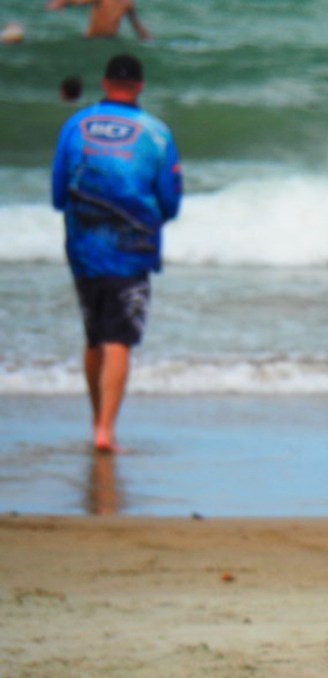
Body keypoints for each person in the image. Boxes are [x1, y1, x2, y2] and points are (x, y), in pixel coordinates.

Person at [52, 53, 182, 452]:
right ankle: (106, 431)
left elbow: (58, 194)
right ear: (140, 86)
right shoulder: (157, 133)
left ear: (106, 84)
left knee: (94, 337)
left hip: (83, 247)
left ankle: (97, 422)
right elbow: (171, 201)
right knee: (119, 339)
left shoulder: (76, 125)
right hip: (132, 250)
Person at [45, 0, 151, 40]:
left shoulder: (128, 3)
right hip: (92, 39)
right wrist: (59, 3)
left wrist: (149, 39)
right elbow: (77, 1)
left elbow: (136, 23)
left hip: (111, 40)